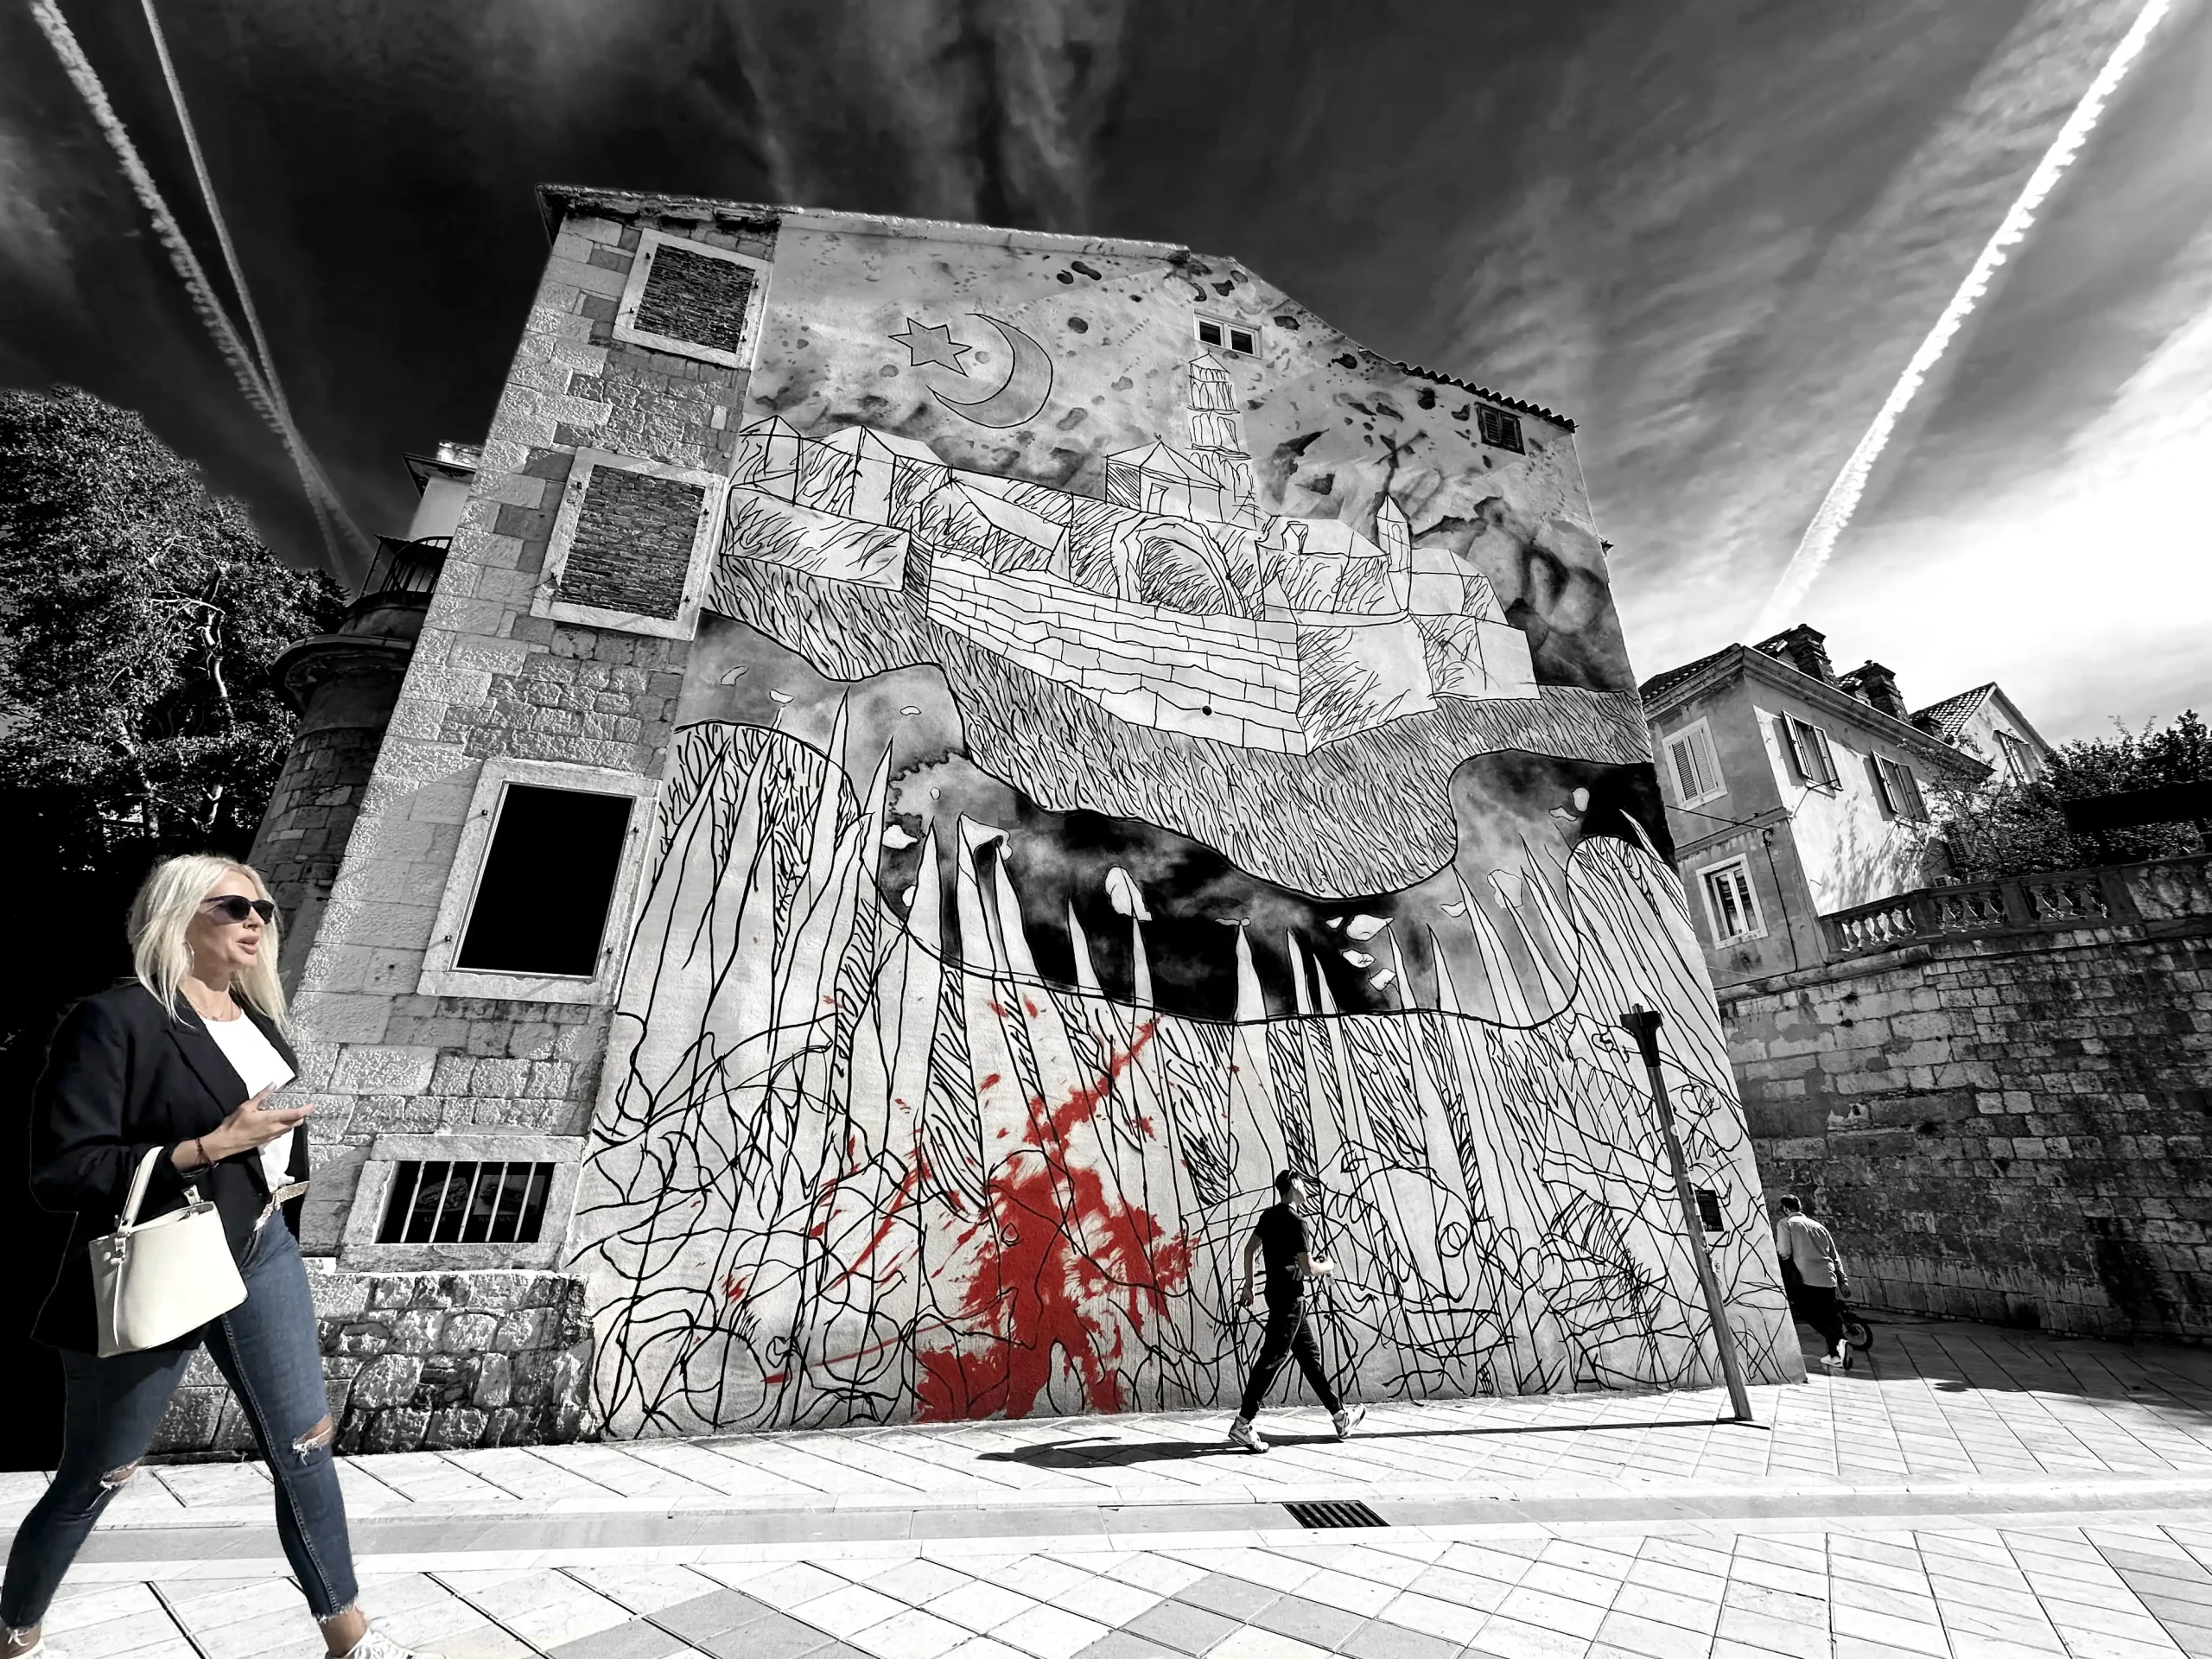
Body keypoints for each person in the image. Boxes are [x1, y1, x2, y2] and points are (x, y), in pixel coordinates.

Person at [2, 855, 437, 1659]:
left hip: (262, 1248)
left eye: (264, 908)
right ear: (179, 915)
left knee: (305, 1445)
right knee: (100, 1472)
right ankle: (15, 1632)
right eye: (233, 906)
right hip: (164, 1257)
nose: (256, 920)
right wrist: (206, 1148)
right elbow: (62, 1171)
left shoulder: (257, 1022)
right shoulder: (117, 1019)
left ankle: (350, 1641)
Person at [1227, 1170, 1363, 1452]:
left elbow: (1249, 1250)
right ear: (1292, 1186)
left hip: (1278, 1296)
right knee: (1271, 1359)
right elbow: (1308, 1268)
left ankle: (1340, 1417)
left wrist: (1249, 1286)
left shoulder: (1268, 1216)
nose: (1305, 1186)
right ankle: (1243, 1422)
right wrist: (1329, 1265)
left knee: (1310, 1359)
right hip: (1290, 1300)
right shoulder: (1298, 1223)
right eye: (1301, 1181)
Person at [1774, 1194, 1852, 1372]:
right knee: (1829, 1316)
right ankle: (1835, 1356)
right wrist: (1843, 1281)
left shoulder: (1786, 1224)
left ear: (1785, 1208)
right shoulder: (1819, 1226)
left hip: (1806, 1278)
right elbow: (1834, 1255)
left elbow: (1784, 1251)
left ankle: (1838, 1341)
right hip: (1827, 1277)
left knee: (1807, 1313)